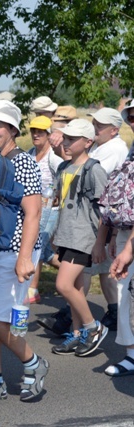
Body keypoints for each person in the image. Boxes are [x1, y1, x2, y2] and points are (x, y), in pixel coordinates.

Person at [0, 100, 49, 402]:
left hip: (15, 251)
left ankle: (33, 363)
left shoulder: (24, 162)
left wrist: (26, 256)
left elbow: (33, 213)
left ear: (13, 130)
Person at [50, 119, 109, 357]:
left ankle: (93, 327)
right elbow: (60, 204)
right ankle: (76, 334)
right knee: (74, 287)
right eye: (65, 137)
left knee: (63, 285)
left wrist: (99, 243)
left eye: (72, 139)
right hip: (66, 235)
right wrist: (55, 235)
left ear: (87, 142)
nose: (66, 142)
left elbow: (105, 209)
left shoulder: (94, 169)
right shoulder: (63, 168)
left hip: (83, 236)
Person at [85, 108, 128, 332]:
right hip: (108, 218)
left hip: (103, 217)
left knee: (84, 267)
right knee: (104, 269)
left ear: (114, 130)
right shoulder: (106, 146)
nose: (95, 128)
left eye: (99, 125)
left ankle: (76, 317)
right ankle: (114, 311)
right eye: (94, 123)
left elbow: (87, 173)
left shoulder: (112, 149)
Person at [101, 99, 134, 377]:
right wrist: (114, 234)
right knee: (124, 294)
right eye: (131, 116)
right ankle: (132, 354)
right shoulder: (132, 151)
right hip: (126, 231)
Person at [27, 116, 63, 304]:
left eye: (40, 132)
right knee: (46, 252)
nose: (36, 134)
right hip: (33, 208)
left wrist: (57, 195)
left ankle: (32, 290)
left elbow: (65, 176)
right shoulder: (30, 153)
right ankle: (75, 273)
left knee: (36, 244)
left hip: (50, 209)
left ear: (49, 135)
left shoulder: (53, 157)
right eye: (33, 131)